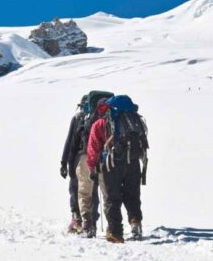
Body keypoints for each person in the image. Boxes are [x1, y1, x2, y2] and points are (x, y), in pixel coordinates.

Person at [86, 95, 148, 243]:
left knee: (112, 198)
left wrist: (92, 168)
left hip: (110, 165)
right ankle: (135, 224)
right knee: (132, 195)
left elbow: (93, 148)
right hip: (133, 162)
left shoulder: (100, 123)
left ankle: (115, 232)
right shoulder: (135, 119)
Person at [75, 91, 113, 238]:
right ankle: (111, 225)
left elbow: (75, 141)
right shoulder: (109, 119)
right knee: (107, 193)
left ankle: (87, 224)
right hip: (107, 158)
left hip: (86, 156)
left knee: (85, 192)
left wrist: (67, 162)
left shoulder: (87, 118)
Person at [60, 98, 88, 233]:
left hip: (78, 158)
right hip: (96, 160)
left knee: (75, 188)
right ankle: (90, 222)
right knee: (90, 192)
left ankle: (76, 220)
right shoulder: (100, 118)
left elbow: (70, 141)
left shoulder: (78, 117)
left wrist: (64, 162)